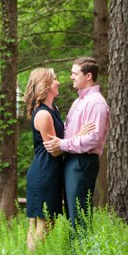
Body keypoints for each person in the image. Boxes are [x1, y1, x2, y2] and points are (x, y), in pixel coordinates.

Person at [43, 56, 110, 230]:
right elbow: (70, 133)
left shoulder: (96, 103)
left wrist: (63, 144)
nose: (71, 77)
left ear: (88, 76)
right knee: (72, 215)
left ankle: (82, 248)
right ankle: (77, 247)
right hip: (72, 160)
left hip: (82, 161)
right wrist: (76, 137)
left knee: (79, 217)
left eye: (75, 73)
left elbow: (93, 139)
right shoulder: (78, 102)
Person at [23, 68, 64, 252]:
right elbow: (54, 150)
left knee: (44, 223)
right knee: (43, 223)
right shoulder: (43, 114)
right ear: (45, 86)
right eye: (54, 79)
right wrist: (79, 138)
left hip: (49, 172)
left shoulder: (53, 110)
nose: (58, 82)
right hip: (44, 173)